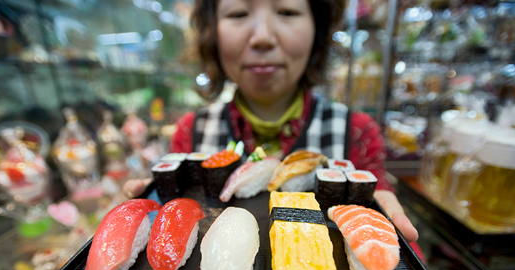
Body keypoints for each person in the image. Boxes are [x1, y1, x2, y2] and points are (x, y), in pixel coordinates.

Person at [125, 0, 418, 243]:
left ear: (318, 28)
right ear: (212, 31)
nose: (262, 37)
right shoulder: (191, 130)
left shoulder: (356, 131)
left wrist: (383, 210)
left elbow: (383, 207)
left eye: (287, 11)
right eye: (239, 13)